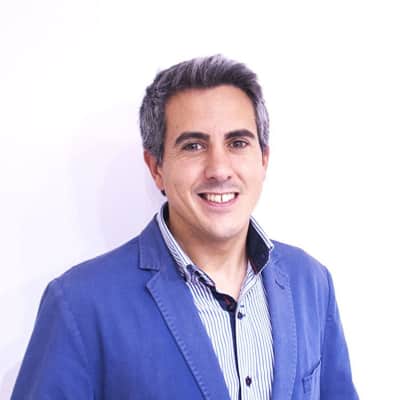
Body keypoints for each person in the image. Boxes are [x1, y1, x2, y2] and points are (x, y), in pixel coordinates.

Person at [11, 55, 358, 400]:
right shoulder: (80, 303)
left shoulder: (310, 282)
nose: (219, 169)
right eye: (194, 146)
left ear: (263, 159)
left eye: (237, 143)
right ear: (156, 167)